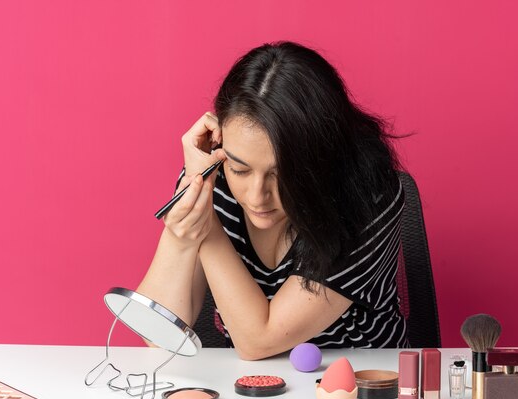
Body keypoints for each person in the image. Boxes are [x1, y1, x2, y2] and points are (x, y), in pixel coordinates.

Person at [137, 41, 410, 360]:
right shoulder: (214, 172)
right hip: (249, 388)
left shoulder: (368, 193)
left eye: (282, 175)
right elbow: (157, 334)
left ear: (322, 158)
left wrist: (207, 227)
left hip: (361, 386)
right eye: (240, 169)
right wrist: (189, 202)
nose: (257, 196)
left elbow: (259, 341)